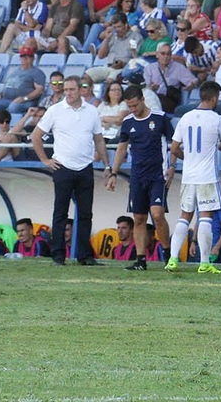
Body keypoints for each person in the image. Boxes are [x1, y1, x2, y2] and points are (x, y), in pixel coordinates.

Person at [31, 76, 107, 265]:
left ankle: (84, 255)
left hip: (85, 166)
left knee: (85, 213)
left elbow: (99, 139)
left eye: (72, 89)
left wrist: (106, 165)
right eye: (66, 90)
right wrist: (45, 160)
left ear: (81, 89)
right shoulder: (55, 110)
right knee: (60, 212)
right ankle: (58, 255)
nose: (68, 93)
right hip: (62, 166)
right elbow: (36, 136)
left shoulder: (91, 111)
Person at [104, 84, 173, 270]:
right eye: (129, 106)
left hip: (158, 174)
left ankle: (168, 256)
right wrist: (114, 173)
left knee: (157, 214)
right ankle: (141, 260)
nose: (133, 109)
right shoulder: (128, 122)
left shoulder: (160, 118)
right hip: (138, 176)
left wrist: (172, 166)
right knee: (139, 218)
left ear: (143, 99)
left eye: (135, 105)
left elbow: (173, 144)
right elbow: (121, 148)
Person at [167, 81, 221, 273]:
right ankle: (204, 263)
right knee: (205, 217)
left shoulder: (185, 118)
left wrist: (188, 159)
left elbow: (174, 148)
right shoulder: (217, 119)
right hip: (207, 176)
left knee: (184, 216)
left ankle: (172, 259)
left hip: (188, 175)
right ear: (214, 98)